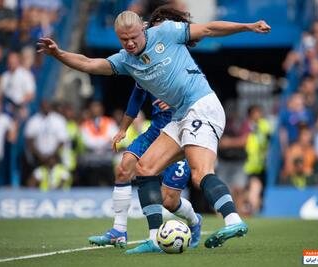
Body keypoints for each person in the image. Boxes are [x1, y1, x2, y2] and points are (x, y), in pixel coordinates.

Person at [38, 7, 271, 253]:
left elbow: (210, 28)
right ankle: (155, 239)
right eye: (123, 39)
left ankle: (234, 221)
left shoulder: (167, 32)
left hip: (201, 106)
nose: (129, 43)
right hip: (180, 115)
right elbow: (89, 64)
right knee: (144, 168)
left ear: (143, 27)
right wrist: (59, 54)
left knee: (200, 173)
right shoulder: (126, 60)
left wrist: (248, 26)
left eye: (133, 37)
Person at [88, 9, 201, 251]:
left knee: (169, 201)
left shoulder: (176, 56)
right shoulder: (140, 59)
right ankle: (120, 231)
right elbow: (137, 95)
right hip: (156, 129)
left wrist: (174, 98)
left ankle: (194, 220)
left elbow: (195, 91)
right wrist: (122, 130)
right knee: (124, 168)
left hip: (180, 130)